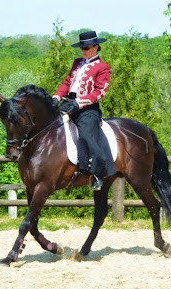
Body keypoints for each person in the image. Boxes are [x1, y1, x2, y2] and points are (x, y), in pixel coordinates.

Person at [52, 30, 116, 191]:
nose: (83, 51)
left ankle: (98, 173)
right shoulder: (77, 63)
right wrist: (57, 96)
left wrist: (80, 103)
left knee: (87, 134)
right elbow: (67, 82)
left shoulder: (103, 67)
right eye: (82, 48)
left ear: (96, 47)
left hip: (88, 109)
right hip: (69, 104)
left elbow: (100, 92)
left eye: (86, 48)